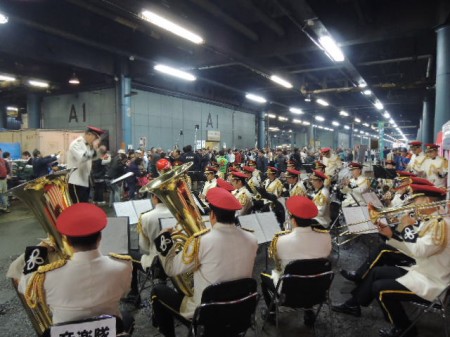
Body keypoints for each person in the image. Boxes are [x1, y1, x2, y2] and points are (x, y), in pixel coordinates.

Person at [332, 185, 449, 337]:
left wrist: (407, 227)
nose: (413, 204)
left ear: (426, 200)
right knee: (376, 272)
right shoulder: (433, 220)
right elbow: (415, 252)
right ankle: (352, 305)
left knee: (380, 289)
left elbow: (419, 250)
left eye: (416, 200)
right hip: (422, 272)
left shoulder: (441, 224)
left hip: (434, 283)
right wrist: (390, 235)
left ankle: (405, 329)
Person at [151, 187, 258, 337]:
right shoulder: (252, 239)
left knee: (157, 291)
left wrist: (164, 238)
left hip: (206, 314)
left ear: (212, 214)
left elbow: (170, 269)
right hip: (239, 310)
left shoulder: (201, 242)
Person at [18, 203, 133, 333]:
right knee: (126, 316)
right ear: (100, 237)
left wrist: (38, 250)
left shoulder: (46, 276)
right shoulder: (123, 266)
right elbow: (125, 292)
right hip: (110, 331)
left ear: (66, 240)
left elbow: (25, 288)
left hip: (65, 333)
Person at [260, 196, 332, 326]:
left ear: (293, 220)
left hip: (289, 294)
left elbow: (277, 264)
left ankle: (272, 314)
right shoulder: (326, 237)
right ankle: (309, 311)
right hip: (316, 291)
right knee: (310, 273)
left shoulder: (280, 240)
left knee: (264, 275)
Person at [66, 126, 104, 203]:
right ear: (89, 134)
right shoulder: (76, 144)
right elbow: (82, 158)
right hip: (75, 181)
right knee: (77, 207)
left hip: (84, 181)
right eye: (95, 138)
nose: (95, 141)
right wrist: (95, 151)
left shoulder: (87, 146)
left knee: (84, 206)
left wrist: (99, 152)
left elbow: (92, 158)